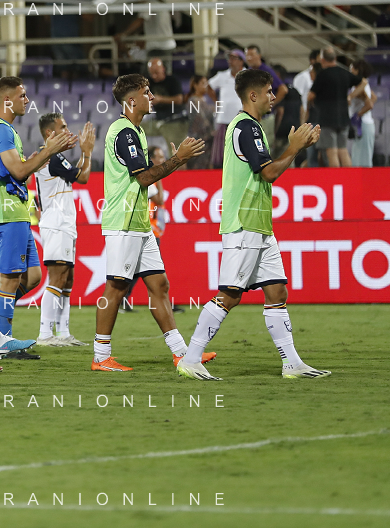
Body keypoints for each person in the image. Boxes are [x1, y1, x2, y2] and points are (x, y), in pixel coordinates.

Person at [178, 70, 329, 381]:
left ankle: (292, 364)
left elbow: (267, 170)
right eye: (269, 91)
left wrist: (297, 148)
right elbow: (268, 173)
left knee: (277, 291)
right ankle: (190, 359)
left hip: (259, 225)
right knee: (230, 295)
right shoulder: (246, 127)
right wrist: (294, 147)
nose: (273, 97)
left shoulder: (251, 126)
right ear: (253, 95)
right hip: (244, 224)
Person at [92, 73, 212, 372]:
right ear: (132, 100)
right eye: (147, 92)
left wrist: (175, 160)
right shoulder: (124, 133)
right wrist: (178, 159)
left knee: (159, 284)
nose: (152, 97)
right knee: (116, 287)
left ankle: (181, 353)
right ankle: (101, 356)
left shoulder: (135, 131)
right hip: (124, 222)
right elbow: (144, 177)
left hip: (139, 222)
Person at [0, 76, 74, 352]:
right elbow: (19, 171)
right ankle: (4, 340)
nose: (27, 100)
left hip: (18, 212)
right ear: (7, 99)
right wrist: (48, 151)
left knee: (32, 276)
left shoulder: (7, 130)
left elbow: (19, 168)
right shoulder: (1, 130)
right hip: (7, 212)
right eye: (22, 95)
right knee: (10, 279)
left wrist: (44, 154)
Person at [33, 113, 94, 347]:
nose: (68, 131)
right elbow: (84, 177)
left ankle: (63, 331)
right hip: (56, 223)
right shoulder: (52, 157)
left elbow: (75, 174)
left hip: (64, 223)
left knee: (67, 279)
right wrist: (87, 152)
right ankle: (45, 334)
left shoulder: (53, 157)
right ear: (50, 133)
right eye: (63, 127)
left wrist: (83, 156)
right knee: (57, 277)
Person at [305, 47, 361, 167]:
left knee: (331, 151)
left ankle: (336, 177)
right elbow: (363, 82)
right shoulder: (344, 72)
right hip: (343, 117)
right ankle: (349, 177)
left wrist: (313, 102)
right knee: (343, 150)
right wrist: (350, 96)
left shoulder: (322, 74)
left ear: (322, 60)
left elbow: (310, 96)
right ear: (335, 58)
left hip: (327, 118)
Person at [208, 49, 246, 167]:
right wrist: (216, 101)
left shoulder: (248, 76)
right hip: (223, 119)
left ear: (241, 61)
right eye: (230, 58)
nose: (230, 61)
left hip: (242, 119)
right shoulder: (222, 75)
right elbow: (208, 86)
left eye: (234, 58)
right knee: (219, 156)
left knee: (242, 151)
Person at [245, 44, 287, 145]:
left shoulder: (266, 71)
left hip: (264, 117)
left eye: (252, 55)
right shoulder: (247, 72)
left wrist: (270, 103)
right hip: (252, 116)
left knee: (265, 146)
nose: (249, 58)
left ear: (259, 55)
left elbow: (283, 89)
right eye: (247, 55)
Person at [184, 74, 216, 169]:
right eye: (203, 83)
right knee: (198, 166)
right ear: (195, 85)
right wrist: (212, 132)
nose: (205, 86)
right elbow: (201, 120)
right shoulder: (193, 100)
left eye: (206, 83)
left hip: (208, 139)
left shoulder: (207, 100)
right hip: (198, 139)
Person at [348, 60, 376, 168]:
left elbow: (369, 105)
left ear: (357, 70)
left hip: (363, 125)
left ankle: (366, 179)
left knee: (363, 160)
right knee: (359, 156)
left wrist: (357, 115)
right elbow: (374, 97)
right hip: (364, 125)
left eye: (352, 69)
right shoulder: (364, 84)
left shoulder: (360, 87)